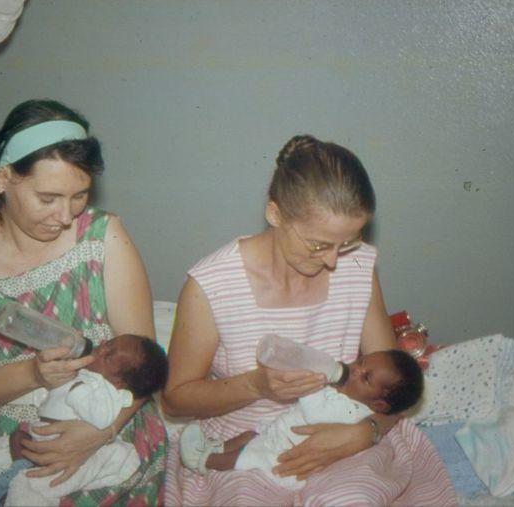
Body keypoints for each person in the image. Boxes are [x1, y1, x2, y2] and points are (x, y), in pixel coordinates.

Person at [162, 135, 455, 506]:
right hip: (248, 444)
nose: (334, 261)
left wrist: (365, 433)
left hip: (347, 434)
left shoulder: (356, 266)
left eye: (347, 242)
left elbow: (390, 385)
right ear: (275, 214)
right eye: (319, 244)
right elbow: (174, 401)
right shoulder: (213, 286)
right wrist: (256, 386)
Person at [0, 100, 167, 506]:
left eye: (79, 196)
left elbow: (146, 366)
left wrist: (97, 433)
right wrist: (32, 374)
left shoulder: (102, 238)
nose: (65, 216)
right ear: (2, 179)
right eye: (48, 198)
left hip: (106, 423)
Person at [0, 334, 169, 506]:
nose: (100, 349)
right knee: (4, 445)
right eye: (107, 343)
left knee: (32, 486)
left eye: (108, 356)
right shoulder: (84, 371)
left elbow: (101, 419)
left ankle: (10, 490)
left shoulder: (108, 395)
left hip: (67, 454)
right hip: (41, 437)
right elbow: (45, 393)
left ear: (119, 382)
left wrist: (78, 390)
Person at [179, 349, 423, 486]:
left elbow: (316, 412)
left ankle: (204, 460)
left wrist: (312, 382)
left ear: (378, 404)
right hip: (274, 436)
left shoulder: (354, 412)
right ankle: (215, 446)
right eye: (360, 362)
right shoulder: (346, 392)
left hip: (283, 460)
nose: (356, 370)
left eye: (366, 378)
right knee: (249, 436)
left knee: (245, 455)